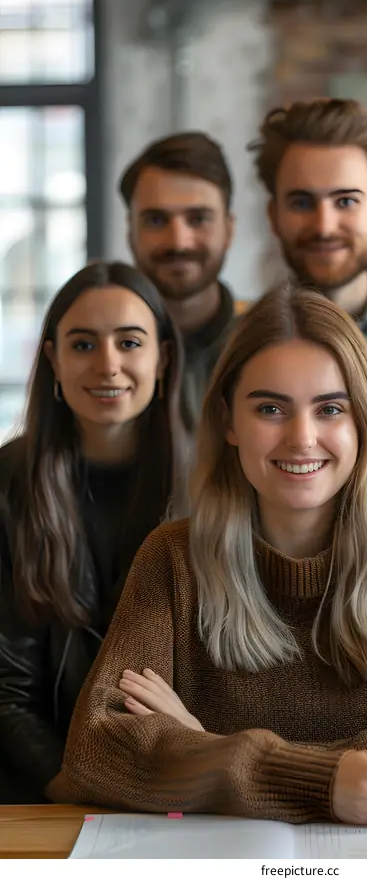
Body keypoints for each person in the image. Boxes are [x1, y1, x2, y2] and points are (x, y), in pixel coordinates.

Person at [52, 282, 367, 821]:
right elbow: (96, 752)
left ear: (365, 422)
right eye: (271, 409)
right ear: (229, 422)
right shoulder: (172, 557)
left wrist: (212, 748)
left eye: (330, 408)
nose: (303, 438)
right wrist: (323, 779)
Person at [0, 261, 187, 804]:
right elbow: (6, 693)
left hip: (176, 782)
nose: (108, 365)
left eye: (130, 343)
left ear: (163, 357)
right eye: (83, 345)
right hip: (38, 789)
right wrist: (73, 790)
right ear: (53, 359)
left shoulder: (213, 487)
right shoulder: (6, 488)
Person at [248, 98, 367, 374]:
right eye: (302, 203)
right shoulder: (245, 342)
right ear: (273, 216)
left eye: (345, 201)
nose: (324, 227)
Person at [120, 131, 237, 432]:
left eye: (198, 219)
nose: (178, 242)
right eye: (156, 221)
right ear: (130, 232)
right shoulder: (101, 351)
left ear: (229, 229)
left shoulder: (268, 343)